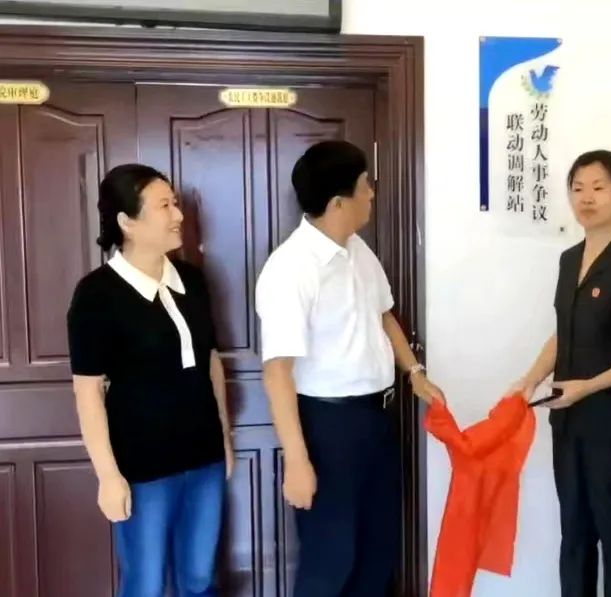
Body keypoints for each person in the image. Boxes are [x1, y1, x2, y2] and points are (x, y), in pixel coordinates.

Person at [255, 139, 445, 597]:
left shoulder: (358, 249)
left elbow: (384, 315)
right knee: (330, 559)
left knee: (377, 553)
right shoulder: (290, 269)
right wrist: (297, 461)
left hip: (376, 420)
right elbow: (277, 373)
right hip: (327, 427)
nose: (372, 193)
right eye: (365, 185)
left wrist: (414, 373)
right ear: (339, 201)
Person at [66, 164, 233, 597]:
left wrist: (225, 437)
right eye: (164, 206)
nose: (178, 214)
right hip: (142, 468)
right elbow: (87, 391)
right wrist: (108, 476)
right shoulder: (97, 294)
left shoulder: (192, 280)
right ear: (127, 222)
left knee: (200, 579)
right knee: (146, 585)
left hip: (204, 458)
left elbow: (210, 361)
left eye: (175, 203)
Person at [511, 150, 611, 597]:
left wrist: (588, 387)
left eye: (598, 187)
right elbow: (565, 331)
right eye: (577, 188)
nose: (586, 198)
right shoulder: (570, 259)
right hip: (567, 422)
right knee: (573, 535)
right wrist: (530, 379)